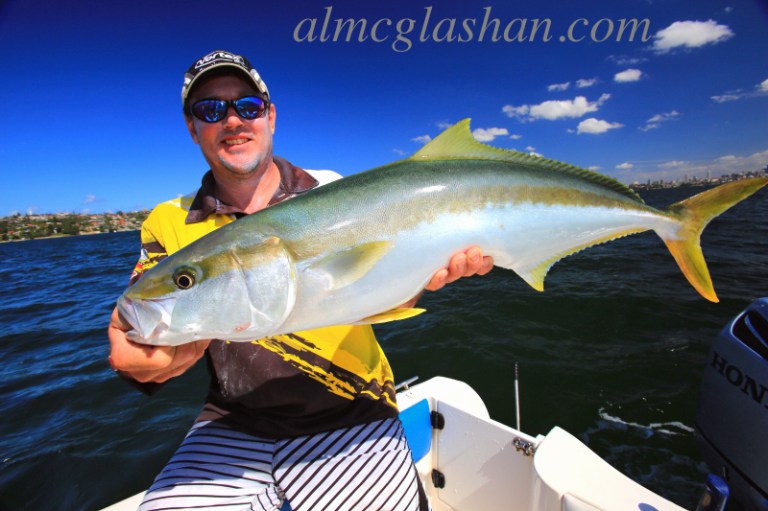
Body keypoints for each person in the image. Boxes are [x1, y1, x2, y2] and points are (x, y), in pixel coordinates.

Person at [108, 49, 493, 511]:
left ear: (270, 116)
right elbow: (135, 316)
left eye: (247, 105)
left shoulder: (332, 191)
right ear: (193, 128)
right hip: (233, 418)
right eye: (210, 109)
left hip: (354, 410)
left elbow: (379, 290)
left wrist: (423, 276)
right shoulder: (166, 222)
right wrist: (133, 361)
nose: (232, 120)